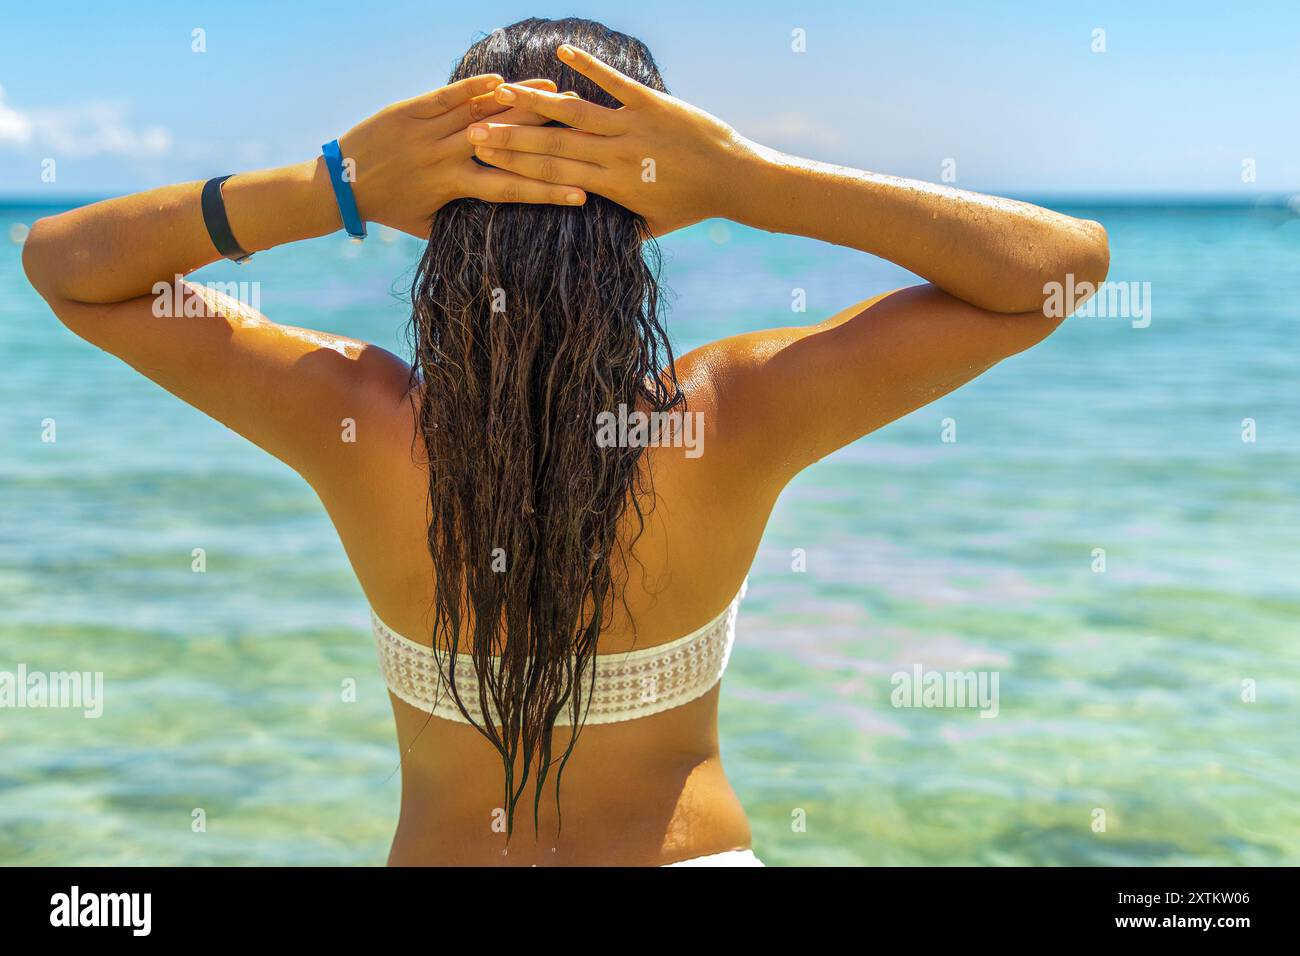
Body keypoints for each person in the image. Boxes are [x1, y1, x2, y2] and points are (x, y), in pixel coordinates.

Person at [21, 17, 1108, 866]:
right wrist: (746, 181)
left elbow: (70, 271)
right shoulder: (724, 416)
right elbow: (1055, 273)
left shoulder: (352, 418)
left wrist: (334, 185)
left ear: (438, 215)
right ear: (649, 212)